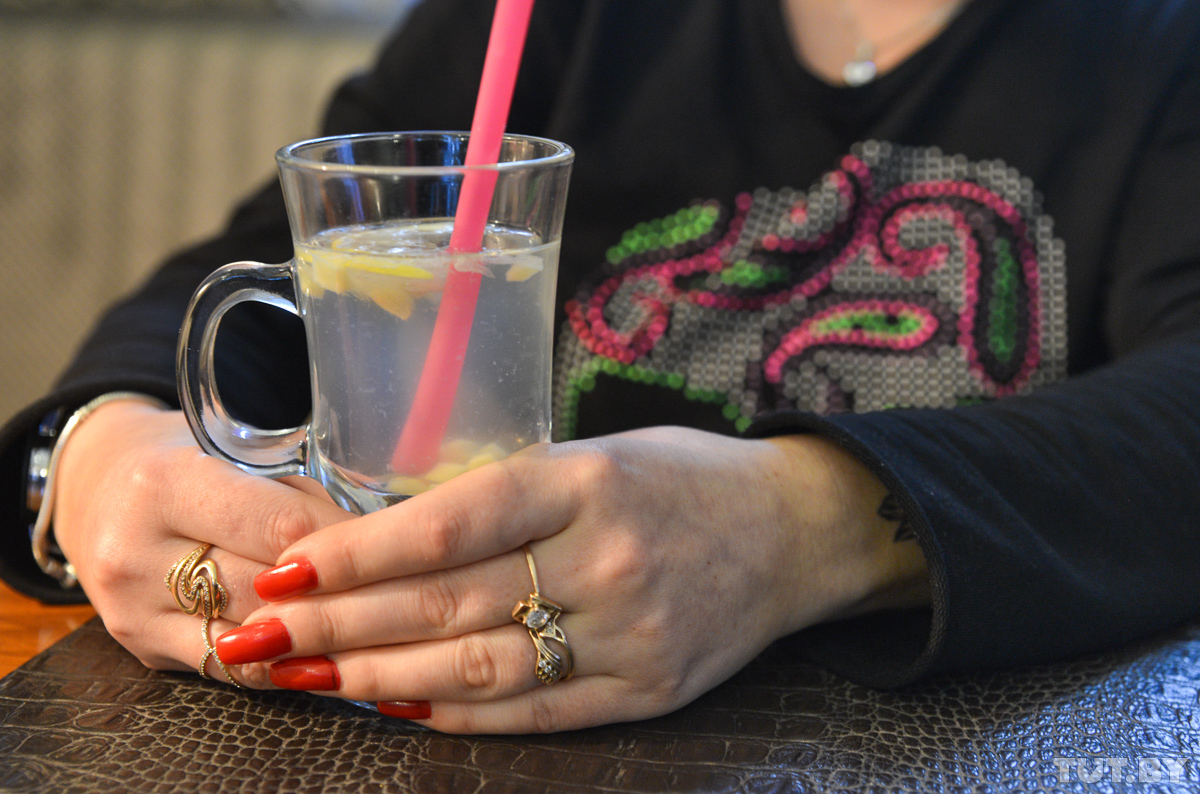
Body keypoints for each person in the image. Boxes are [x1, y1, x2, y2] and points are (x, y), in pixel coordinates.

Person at [3, 0, 1199, 734]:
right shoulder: (559, 16)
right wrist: (97, 447)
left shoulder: (1157, 44)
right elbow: (263, 271)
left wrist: (807, 521)